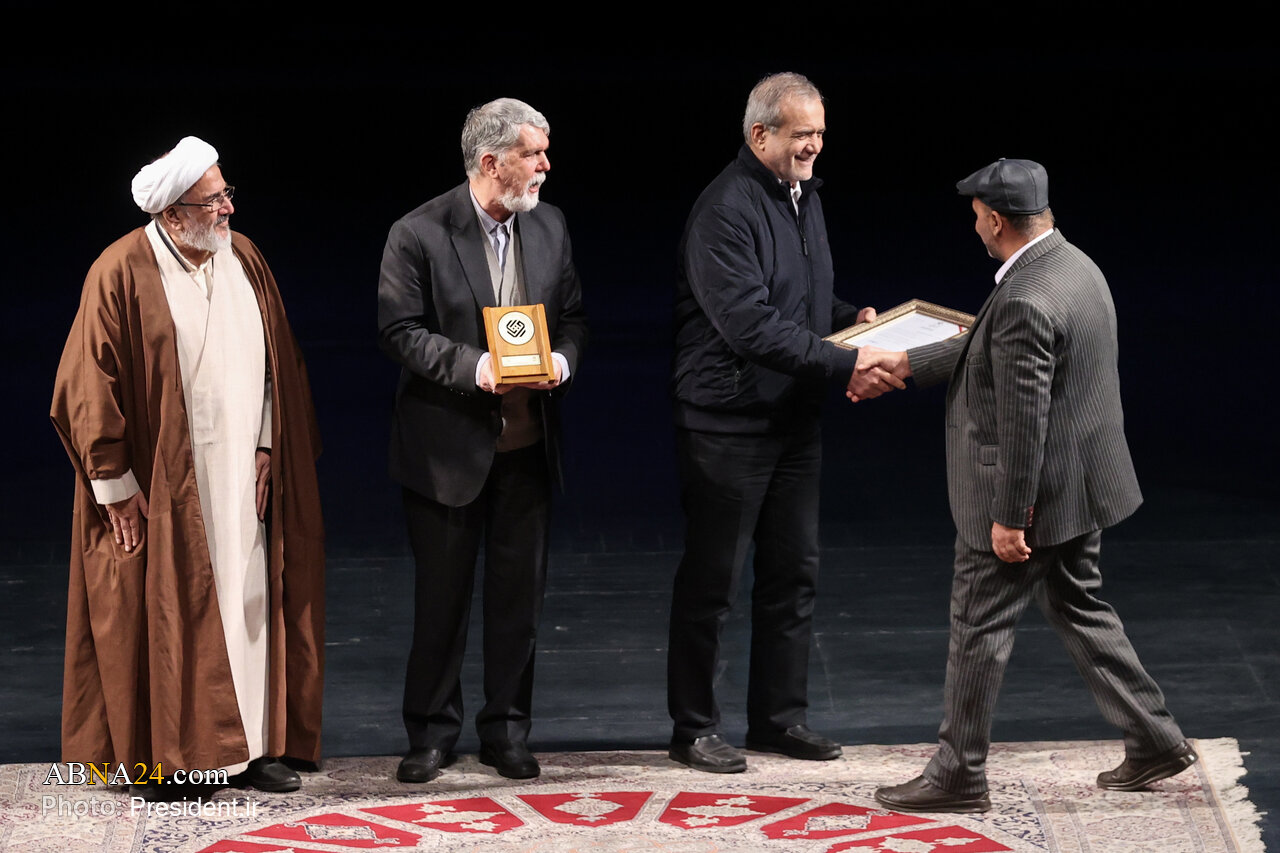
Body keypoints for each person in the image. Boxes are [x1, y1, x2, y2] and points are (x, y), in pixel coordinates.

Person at [860, 158, 1195, 812]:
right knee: (1078, 606)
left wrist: (1010, 518)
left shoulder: (1021, 296)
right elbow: (1004, 347)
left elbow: (1023, 421)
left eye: (976, 217)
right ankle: (1156, 737)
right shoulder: (1072, 265)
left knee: (977, 625)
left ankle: (958, 774)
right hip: (1080, 486)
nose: (975, 226)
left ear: (995, 221)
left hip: (1029, 496)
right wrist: (910, 360)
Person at [50, 136, 326, 798]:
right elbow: (86, 386)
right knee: (174, 618)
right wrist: (115, 487)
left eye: (227, 194)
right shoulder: (120, 270)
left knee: (248, 608)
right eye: (213, 200)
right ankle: (176, 758)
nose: (228, 208)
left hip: (243, 481)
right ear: (173, 214)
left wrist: (269, 444)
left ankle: (252, 748)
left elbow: (280, 366)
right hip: (167, 486)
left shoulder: (245, 257)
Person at [666, 72, 901, 774]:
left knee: (793, 576)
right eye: (802, 134)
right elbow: (750, 325)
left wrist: (853, 322)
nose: (814, 146)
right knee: (713, 583)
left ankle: (778, 718)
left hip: (793, 419)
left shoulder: (803, 196)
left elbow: (801, 304)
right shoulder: (723, 210)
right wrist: (846, 362)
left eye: (821, 133)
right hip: (727, 424)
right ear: (759, 133)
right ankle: (693, 728)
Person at [377, 98, 587, 784]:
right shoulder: (417, 232)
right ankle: (431, 733)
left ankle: (507, 731)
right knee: (441, 603)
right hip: (447, 454)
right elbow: (400, 331)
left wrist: (562, 362)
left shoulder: (550, 225)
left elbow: (574, 318)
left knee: (518, 603)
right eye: (533, 153)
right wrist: (476, 368)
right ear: (491, 162)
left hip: (527, 448)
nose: (546, 165)